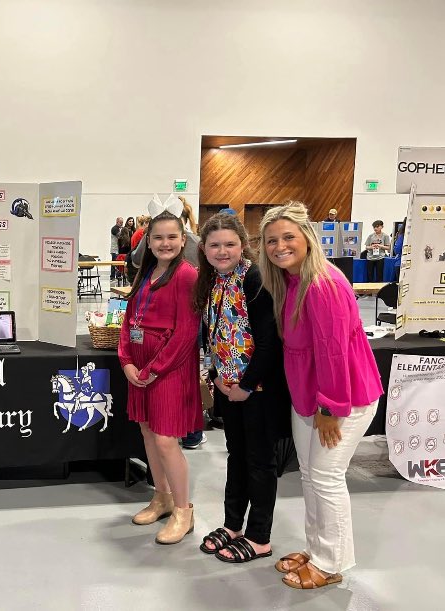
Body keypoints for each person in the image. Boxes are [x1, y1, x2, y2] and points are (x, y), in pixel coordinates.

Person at [259, 201, 382, 589]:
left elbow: (333, 352)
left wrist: (330, 407)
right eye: (271, 240)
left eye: (288, 237)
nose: (280, 246)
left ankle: (331, 562)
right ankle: (317, 549)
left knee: (327, 477)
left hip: (341, 397)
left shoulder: (323, 284)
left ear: (308, 238)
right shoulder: (289, 281)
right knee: (311, 476)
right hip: (308, 397)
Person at [192, 213, 290, 563]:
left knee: (259, 462)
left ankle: (259, 536)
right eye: (215, 245)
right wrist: (216, 375)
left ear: (243, 245)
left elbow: (268, 342)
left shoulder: (255, 278)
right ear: (203, 249)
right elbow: (214, 334)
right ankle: (233, 524)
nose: (222, 251)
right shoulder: (212, 281)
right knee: (236, 456)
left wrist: (247, 385)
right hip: (227, 386)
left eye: (230, 244)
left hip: (257, 389)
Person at [118, 211, 202, 545]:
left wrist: (154, 369)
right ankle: (162, 497)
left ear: (183, 240)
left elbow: (186, 332)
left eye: (171, 237)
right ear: (148, 242)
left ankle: (184, 509)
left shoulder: (187, 276)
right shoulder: (147, 272)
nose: (164, 243)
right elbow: (128, 320)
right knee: (148, 433)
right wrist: (126, 360)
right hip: (139, 368)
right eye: (158, 238)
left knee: (167, 440)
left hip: (167, 369)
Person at [110, 217, 124, 282]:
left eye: (122, 222)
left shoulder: (120, 228)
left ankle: (118, 276)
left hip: (119, 249)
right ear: (117, 222)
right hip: (115, 249)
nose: (121, 224)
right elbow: (120, 236)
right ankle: (112, 276)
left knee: (119, 263)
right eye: (120, 222)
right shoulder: (114, 228)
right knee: (114, 263)